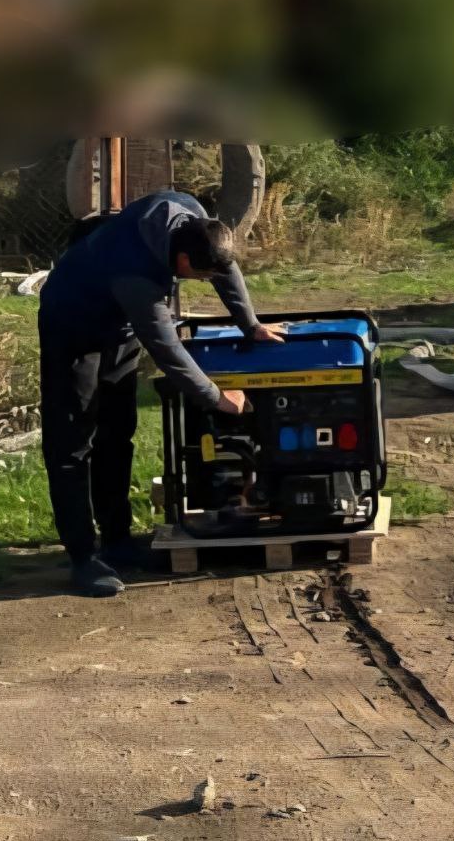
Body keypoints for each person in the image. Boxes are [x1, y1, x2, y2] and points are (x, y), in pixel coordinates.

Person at [38, 190, 284, 596]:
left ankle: (117, 540)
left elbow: (223, 266)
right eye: (198, 276)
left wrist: (250, 324)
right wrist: (216, 397)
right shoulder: (136, 272)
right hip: (73, 325)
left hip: (119, 328)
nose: (202, 281)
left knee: (117, 433)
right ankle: (83, 558)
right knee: (72, 443)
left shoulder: (192, 217)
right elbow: (167, 349)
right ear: (182, 260)